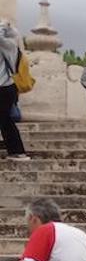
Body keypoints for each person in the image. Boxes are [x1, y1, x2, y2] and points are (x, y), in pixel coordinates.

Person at [0, 19, 27, 160]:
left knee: (5, 120)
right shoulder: (9, 44)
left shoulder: (8, 45)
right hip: (6, 88)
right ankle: (16, 151)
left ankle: (17, 151)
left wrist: (3, 24)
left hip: (4, 87)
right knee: (5, 120)